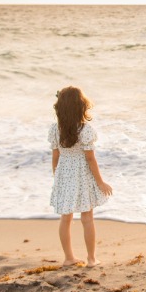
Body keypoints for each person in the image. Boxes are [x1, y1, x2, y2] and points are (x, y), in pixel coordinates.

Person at [49, 86, 113, 267]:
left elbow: (55, 156)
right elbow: (90, 159)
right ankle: (91, 259)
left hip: (64, 174)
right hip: (82, 175)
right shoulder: (85, 130)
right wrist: (100, 182)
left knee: (65, 218)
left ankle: (69, 258)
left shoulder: (55, 129)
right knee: (87, 218)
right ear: (81, 107)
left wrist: (57, 178)